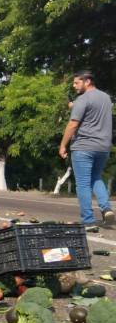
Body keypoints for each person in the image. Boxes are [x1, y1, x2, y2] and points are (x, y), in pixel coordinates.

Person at [59, 70, 114, 230]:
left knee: (83, 184)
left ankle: (88, 221)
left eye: (77, 83)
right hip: (103, 147)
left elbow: (73, 124)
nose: (75, 86)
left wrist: (63, 145)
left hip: (84, 146)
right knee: (96, 177)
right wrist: (74, 106)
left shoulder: (82, 99)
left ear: (87, 81)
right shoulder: (106, 98)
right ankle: (106, 208)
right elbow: (93, 114)